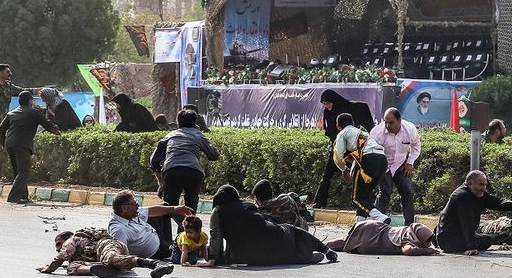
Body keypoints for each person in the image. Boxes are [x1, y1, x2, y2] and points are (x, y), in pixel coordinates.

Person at [201, 184, 338, 267]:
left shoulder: (217, 211)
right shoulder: (249, 206)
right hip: (276, 240)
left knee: (281, 258)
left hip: (246, 257)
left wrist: (212, 260)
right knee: (293, 231)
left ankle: (307, 257)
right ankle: (325, 250)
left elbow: (216, 236)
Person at [312, 89, 375, 208]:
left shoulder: (352, 110)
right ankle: (319, 201)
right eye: (324, 104)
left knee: (359, 175)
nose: (326, 106)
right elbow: (330, 132)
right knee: (327, 175)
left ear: (334, 102)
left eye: (328, 103)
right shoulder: (328, 112)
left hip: (354, 150)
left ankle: (361, 202)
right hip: (338, 147)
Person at [149, 109, 218, 217]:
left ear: (178, 122)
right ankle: (187, 232)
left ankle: (166, 233)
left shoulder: (170, 136)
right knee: (190, 207)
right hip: (193, 171)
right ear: (195, 123)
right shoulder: (198, 135)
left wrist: (161, 183)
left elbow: (154, 161)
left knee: (168, 207)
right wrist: (202, 136)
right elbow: (214, 155)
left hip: (172, 171)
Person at [435, 170, 512, 255]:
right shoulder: (462, 196)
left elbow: (499, 203)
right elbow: (466, 222)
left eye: (485, 185)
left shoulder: (479, 193)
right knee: (487, 240)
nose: (483, 188)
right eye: (480, 185)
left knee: (485, 238)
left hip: (457, 236)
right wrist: (471, 247)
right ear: (470, 184)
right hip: (450, 241)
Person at [37, 228, 174, 278]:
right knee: (72, 267)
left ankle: (155, 264)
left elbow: (63, 254)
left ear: (64, 239)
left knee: (111, 257)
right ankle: (100, 269)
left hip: (105, 246)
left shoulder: (72, 240)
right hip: (98, 259)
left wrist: (49, 268)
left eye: (58, 244)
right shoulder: (76, 257)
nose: (57, 248)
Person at [0, 91, 60, 203]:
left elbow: (1, 129)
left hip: (10, 144)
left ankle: (23, 196)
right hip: (22, 144)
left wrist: (3, 143)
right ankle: (13, 196)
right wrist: (57, 132)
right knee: (24, 172)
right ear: (31, 101)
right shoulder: (34, 113)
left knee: (18, 172)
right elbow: (48, 125)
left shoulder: (11, 113)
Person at [332, 113, 389, 223]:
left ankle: (380, 218)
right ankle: (359, 225)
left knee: (356, 199)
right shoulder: (362, 132)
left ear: (338, 127)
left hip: (368, 160)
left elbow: (337, 156)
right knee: (364, 197)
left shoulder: (343, 133)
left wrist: (344, 169)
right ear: (353, 123)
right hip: (382, 160)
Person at [108, 190, 194, 259]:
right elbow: (120, 256)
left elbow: (151, 211)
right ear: (124, 208)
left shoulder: (129, 214)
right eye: (134, 204)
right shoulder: (119, 230)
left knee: (166, 207)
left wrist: (176, 208)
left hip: (153, 232)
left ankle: (191, 233)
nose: (137, 206)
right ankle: (190, 243)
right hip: (157, 250)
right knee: (187, 249)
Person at [370, 107, 421, 225]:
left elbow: (416, 145)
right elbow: (371, 152)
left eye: (391, 122)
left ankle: (409, 226)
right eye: (386, 122)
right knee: (385, 192)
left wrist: (410, 162)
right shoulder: (377, 133)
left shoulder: (410, 129)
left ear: (399, 121)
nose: (388, 125)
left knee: (408, 191)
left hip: (401, 163)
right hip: (382, 163)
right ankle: (377, 225)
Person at [326, 220, 440, 256]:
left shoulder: (409, 231)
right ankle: (324, 246)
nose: (429, 244)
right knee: (349, 243)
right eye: (427, 241)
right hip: (375, 233)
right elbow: (408, 250)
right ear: (419, 236)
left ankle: (324, 246)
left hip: (375, 229)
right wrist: (427, 251)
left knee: (349, 242)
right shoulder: (409, 237)